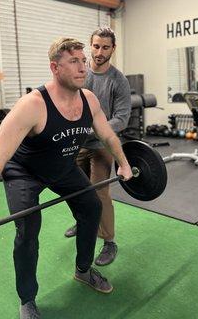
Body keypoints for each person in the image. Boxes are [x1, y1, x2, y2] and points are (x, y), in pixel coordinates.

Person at [0, 37, 133, 319]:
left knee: (91, 207)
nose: (83, 67)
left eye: (83, 61)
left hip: (62, 166)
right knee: (28, 230)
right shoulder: (32, 106)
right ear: (55, 67)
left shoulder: (89, 100)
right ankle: (27, 299)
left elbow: (107, 134)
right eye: (74, 61)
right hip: (24, 173)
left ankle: (83, 270)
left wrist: (123, 163)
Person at [64, 28, 131, 266]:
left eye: (105, 47)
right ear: (90, 46)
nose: (99, 52)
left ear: (113, 48)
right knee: (75, 189)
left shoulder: (118, 80)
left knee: (99, 192)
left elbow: (122, 118)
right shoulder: (80, 74)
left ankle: (108, 241)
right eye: (95, 46)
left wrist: (95, 130)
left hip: (102, 145)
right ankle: (82, 221)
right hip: (77, 144)